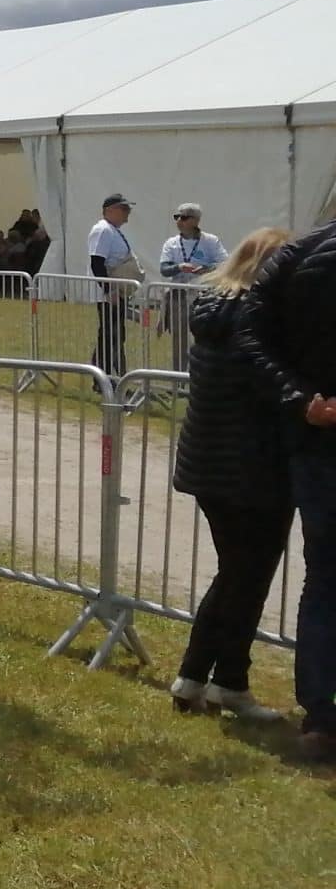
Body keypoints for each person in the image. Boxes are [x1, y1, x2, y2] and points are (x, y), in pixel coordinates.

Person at [168, 228, 293, 723]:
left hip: (209, 461)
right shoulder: (260, 320)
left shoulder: (214, 308)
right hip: (252, 465)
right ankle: (220, 680)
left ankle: (204, 678)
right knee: (247, 576)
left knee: (236, 573)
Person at [235, 215, 336, 763]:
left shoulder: (295, 255)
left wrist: (301, 399)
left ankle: (322, 716)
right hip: (319, 443)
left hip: (317, 439)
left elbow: (249, 334)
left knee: (324, 580)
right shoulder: (298, 256)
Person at [156, 204, 228, 371]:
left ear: (196, 220)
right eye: (177, 217)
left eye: (185, 217)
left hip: (203, 295)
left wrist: (205, 269)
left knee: (203, 337)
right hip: (178, 295)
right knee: (178, 339)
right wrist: (179, 267)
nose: (179, 221)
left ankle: (201, 375)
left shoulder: (210, 241)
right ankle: (178, 379)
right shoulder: (171, 243)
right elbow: (164, 269)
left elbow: (225, 263)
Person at [86, 193, 139, 379]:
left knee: (114, 336)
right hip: (109, 294)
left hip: (116, 292)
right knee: (110, 336)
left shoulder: (112, 230)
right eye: (124, 209)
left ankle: (106, 376)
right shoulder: (103, 230)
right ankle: (105, 377)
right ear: (110, 210)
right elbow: (97, 262)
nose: (128, 213)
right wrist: (109, 290)